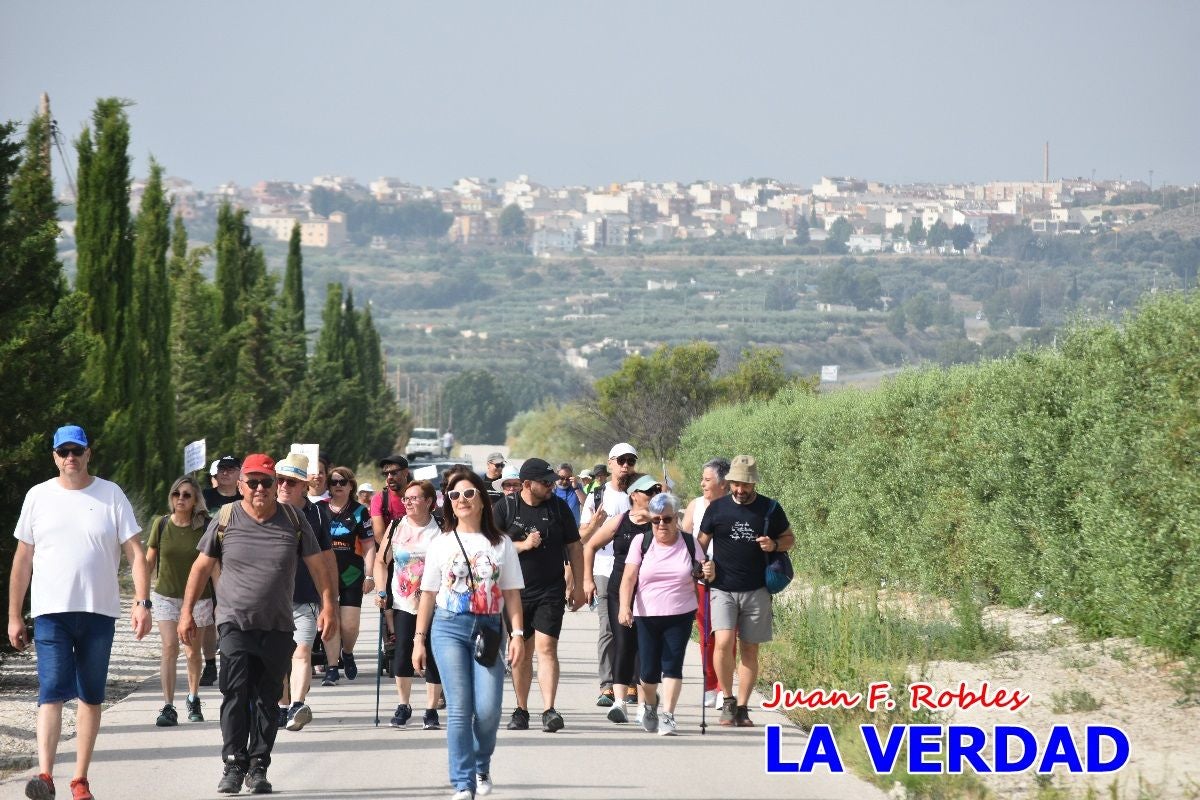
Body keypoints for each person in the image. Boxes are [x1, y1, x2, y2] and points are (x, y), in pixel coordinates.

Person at [179, 452, 336, 795]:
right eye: (254, 482)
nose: (261, 488)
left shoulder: (294, 520)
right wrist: (187, 612)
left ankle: (258, 766)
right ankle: (234, 764)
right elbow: (201, 567)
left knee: (267, 699)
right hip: (234, 621)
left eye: (268, 481)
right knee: (235, 692)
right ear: (241, 485)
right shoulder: (226, 518)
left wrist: (328, 606)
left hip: (278, 624)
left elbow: (318, 565)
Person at [9, 425, 152, 800]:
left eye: (77, 450)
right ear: (55, 457)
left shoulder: (111, 495)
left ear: (88, 453)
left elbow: (136, 553)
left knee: (91, 695)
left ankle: (80, 778)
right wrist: (13, 615)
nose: (70, 457)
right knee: (51, 691)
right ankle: (44, 776)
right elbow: (23, 559)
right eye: (63, 452)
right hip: (50, 612)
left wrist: (142, 601)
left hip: (98, 611)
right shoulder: (38, 496)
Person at [414, 468, 524, 800]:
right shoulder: (440, 543)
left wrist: (517, 633)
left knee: (489, 709)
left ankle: (481, 763)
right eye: (455, 495)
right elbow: (429, 593)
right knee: (460, 708)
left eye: (469, 494)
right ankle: (463, 783)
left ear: (481, 499)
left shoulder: (501, 543)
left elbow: (512, 593)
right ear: (448, 503)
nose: (462, 500)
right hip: (448, 627)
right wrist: (418, 639)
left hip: (489, 628)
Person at [698, 454, 793, 728]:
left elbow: (790, 539)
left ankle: (742, 707)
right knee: (724, 643)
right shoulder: (717, 509)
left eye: (745, 485)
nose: (740, 490)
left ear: (754, 484)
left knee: (750, 650)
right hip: (722, 588)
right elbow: (699, 545)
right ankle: (727, 699)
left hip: (757, 590)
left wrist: (774, 545)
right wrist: (699, 567)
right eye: (736, 484)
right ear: (729, 483)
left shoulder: (770, 509)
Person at [493, 458, 585, 734]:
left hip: (550, 590)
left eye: (552, 481)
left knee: (547, 649)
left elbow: (575, 547)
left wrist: (580, 585)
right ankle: (521, 709)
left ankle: (549, 709)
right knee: (521, 652)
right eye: (545, 482)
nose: (550, 486)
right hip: (515, 593)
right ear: (526, 484)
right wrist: (522, 545)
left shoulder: (558, 508)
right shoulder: (505, 508)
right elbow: (493, 550)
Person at [618, 493, 704, 736]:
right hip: (646, 614)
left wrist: (705, 571)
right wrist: (625, 607)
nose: (661, 525)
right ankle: (651, 706)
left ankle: (668, 715)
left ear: (676, 518)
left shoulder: (689, 542)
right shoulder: (641, 542)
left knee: (672, 664)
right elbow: (628, 578)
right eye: (656, 520)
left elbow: (702, 573)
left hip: (680, 612)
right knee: (647, 670)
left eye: (667, 519)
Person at [583, 472, 661, 725]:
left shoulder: (661, 523)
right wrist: (587, 579)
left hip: (650, 593)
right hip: (619, 591)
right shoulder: (619, 521)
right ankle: (619, 703)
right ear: (634, 496)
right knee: (624, 643)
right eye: (648, 492)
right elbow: (590, 546)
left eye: (655, 492)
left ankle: (644, 701)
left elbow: (682, 546)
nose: (652, 496)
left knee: (647, 647)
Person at [274, 452, 336, 731]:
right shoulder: (265, 511)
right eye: (280, 481)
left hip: (306, 597)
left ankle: (297, 704)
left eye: (291, 482)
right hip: (271, 600)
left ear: (304, 486)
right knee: (279, 658)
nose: (284, 486)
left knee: (301, 651)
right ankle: (283, 706)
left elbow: (327, 559)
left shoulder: (318, 514)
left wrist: (330, 602)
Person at [374, 479, 444, 729]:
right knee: (402, 652)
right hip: (404, 601)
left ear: (429, 501)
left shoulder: (442, 528)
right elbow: (382, 562)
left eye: (415, 498)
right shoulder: (396, 527)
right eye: (406, 499)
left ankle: (431, 709)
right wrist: (381, 589)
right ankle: (403, 704)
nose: (409, 502)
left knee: (433, 653)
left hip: (436, 602)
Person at [145, 476, 213, 727]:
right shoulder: (161, 524)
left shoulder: (206, 526)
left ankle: (193, 697)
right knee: (169, 647)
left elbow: (214, 566)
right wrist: (140, 598)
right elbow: (149, 561)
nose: (180, 499)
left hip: (199, 599)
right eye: (176, 494)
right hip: (166, 596)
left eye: (186, 495)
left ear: (195, 500)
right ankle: (168, 705)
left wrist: (225, 598)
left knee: (192, 651)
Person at [579, 443, 638, 707]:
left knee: (634, 625)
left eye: (631, 461)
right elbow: (582, 538)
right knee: (608, 629)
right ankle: (607, 686)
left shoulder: (639, 494)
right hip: (604, 568)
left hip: (635, 569)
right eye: (621, 460)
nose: (626, 465)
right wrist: (587, 578)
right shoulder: (597, 496)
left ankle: (632, 682)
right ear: (610, 463)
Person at [680, 457, 731, 708]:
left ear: (724, 484)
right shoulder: (696, 506)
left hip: (730, 580)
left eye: (707, 480)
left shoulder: (736, 506)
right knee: (706, 634)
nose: (702, 484)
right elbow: (685, 539)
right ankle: (710, 685)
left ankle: (725, 687)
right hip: (702, 579)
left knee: (728, 636)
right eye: (702, 479)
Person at [321, 466, 376, 685]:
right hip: (325, 575)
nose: (337, 486)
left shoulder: (360, 511)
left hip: (351, 573)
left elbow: (369, 545)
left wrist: (370, 575)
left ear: (351, 485)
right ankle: (332, 667)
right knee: (330, 621)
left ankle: (348, 652)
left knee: (349, 625)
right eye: (333, 482)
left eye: (342, 482)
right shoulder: (319, 508)